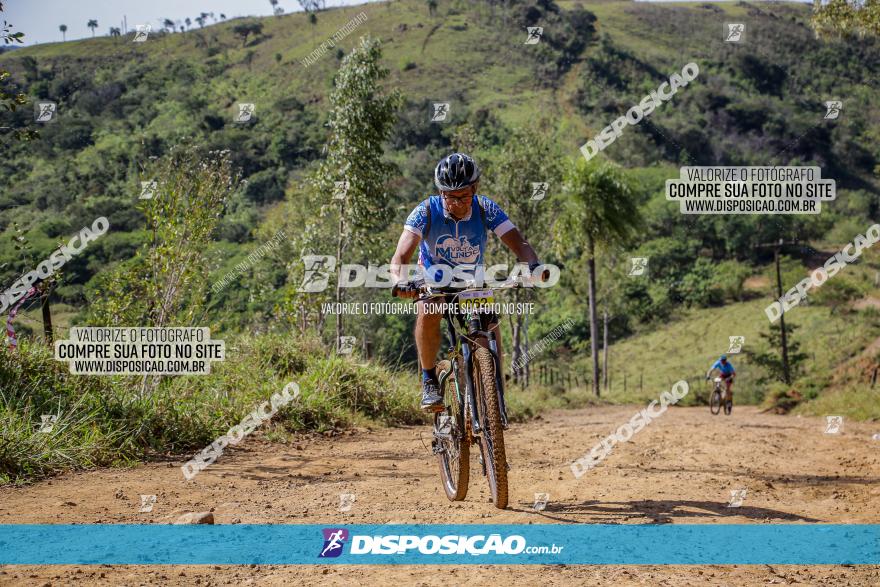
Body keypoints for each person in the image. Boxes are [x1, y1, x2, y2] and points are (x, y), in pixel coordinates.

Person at [390, 153, 544, 412]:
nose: (458, 203)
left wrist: (534, 265)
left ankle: (493, 395)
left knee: (490, 329)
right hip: (433, 278)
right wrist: (400, 281)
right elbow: (400, 256)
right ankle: (429, 380)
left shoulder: (486, 208)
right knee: (430, 309)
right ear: (441, 193)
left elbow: (520, 243)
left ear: (475, 188)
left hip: (472, 281)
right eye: (450, 196)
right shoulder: (425, 211)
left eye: (464, 195)